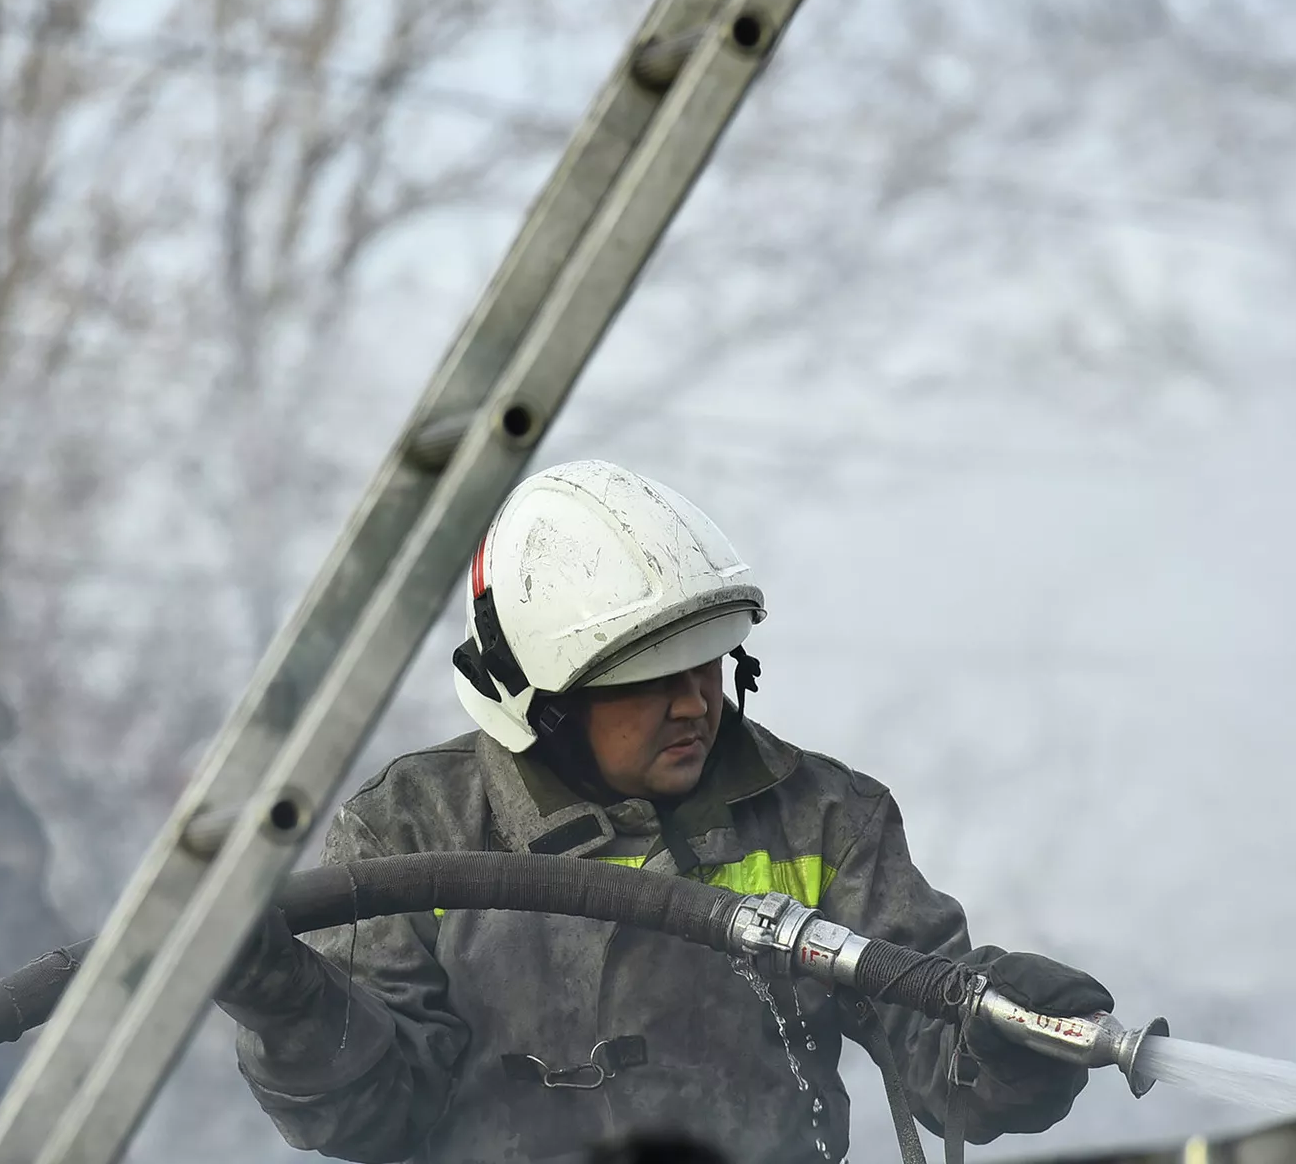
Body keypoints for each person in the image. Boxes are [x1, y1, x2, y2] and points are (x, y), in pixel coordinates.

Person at [215, 460, 1112, 1164]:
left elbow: (934, 1039)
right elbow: (373, 1112)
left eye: (708, 663)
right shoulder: (412, 831)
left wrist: (1005, 1035)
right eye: (650, 681)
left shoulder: (823, 817)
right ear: (546, 701)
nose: (694, 704)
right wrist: (289, 1005)